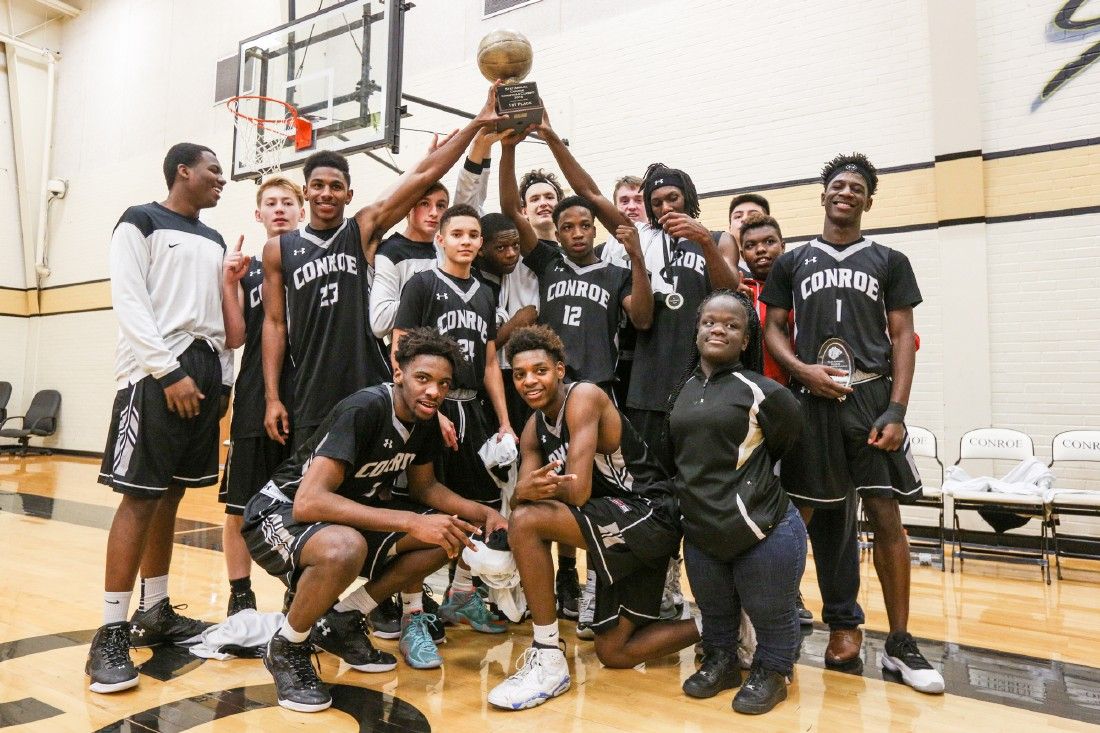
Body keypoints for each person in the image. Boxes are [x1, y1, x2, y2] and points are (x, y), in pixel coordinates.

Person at [242, 328, 508, 712]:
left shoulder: (427, 421)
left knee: (447, 533)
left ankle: (344, 618)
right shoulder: (365, 409)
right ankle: (286, 646)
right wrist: (409, 522)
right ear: (399, 373)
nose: (434, 391)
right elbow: (309, 502)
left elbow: (426, 488)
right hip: (278, 513)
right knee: (346, 547)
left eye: (443, 383)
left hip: (340, 521)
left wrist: (482, 513)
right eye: (423, 378)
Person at [760, 153, 944, 694]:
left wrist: (898, 409)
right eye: (836, 185)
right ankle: (840, 624)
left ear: (868, 200)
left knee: (886, 517)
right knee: (823, 522)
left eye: (856, 188)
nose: (845, 193)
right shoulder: (792, 262)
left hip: (870, 398)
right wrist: (800, 371)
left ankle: (902, 644)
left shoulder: (890, 259)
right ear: (822, 196)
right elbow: (771, 328)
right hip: (812, 400)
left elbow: (903, 337)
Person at [261, 85, 505, 451]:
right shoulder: (278, 249)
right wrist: (272, 397)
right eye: (318, 186)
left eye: (336, 186)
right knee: (312, 491)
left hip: (367, 377)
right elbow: (275, 324)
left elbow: (424, 178)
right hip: (310, 385)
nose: (327, 193)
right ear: (306, 192)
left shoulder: (361, 229)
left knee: (374, 480)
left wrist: (476, 124)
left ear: (349, 194)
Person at [487, 325, 697, 711]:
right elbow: (522, 497)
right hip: (615, 523)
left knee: (529, 522)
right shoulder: (534, 427)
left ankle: (548, 656)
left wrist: (525, 496)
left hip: (651, 513)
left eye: (540, 370)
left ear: (560, 370)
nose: (529, 381)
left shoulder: (583, 397)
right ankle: (724, 623)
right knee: (614, 652)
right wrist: (521, 493)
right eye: (519, 374)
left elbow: (577, 492)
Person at [86, 143, 233, 694]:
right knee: (141, 495)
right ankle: (110, 630)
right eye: (214, 170)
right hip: (155, 374)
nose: (223, 179)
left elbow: (221, 315)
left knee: (171, 494)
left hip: (205, 372)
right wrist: (167, 372)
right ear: (183, 172)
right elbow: (129, 301)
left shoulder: (216, 239)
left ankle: (156, 610)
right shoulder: (140, 220)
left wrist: (225, 379)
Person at [532, 112, 740, 474]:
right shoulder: (640, 235)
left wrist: (703, 239)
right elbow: (591, 194)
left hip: (699, 363)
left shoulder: (718, 238)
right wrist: (552, 138)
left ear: (687, 196)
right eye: (656, 202)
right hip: (650, 368)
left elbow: (730, 289)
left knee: (699, 469)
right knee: (652, 472)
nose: (665, 208)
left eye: (672, 199)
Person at [670, 290, 805, 715]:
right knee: (714, 610)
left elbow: (788, 446)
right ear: (697, 330)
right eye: (710, 321)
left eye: (732, 325)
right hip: (703, 529)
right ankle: (723, 663)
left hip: (762, 526)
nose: (719, 329)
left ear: (746, 341)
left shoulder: (764, 391)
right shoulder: (682, 391)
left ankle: (774, 670)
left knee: (770, 611)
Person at [393, 203, 515, 634]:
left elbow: (487, 362)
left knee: (481, 504)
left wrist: (503, 420)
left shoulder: (485, 291)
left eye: (473, 235)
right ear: (439, 239)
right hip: (428, 408)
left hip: (472, 409)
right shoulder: (422, 284)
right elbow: (400, 350)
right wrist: (430, 412)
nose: (466, 241)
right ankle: (411, 614)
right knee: (422, 503)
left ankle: (462, 594)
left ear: (480, 243)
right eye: (457, 233)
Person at [500, 133, 653, 395]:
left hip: (598, 386)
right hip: (552, 386)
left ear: (595, 231)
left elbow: (642, 319)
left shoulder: (617, 274)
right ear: (558, 236)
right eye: (568, 228)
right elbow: (511, 210)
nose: (578, 233)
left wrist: (637, 257)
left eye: (584, 226)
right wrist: (508, 148)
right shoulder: (548, 262)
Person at [218, 176, 305, 615]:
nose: (279, 209)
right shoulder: (247, 268)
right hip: (256, 393)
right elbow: (235, 337)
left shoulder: (314, 261)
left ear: (301, 211)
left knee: (304, 499)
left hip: (306, 392)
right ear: (258, 214)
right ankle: (240, 596)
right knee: (241, 503)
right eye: (270, 203)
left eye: (288, 202)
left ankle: (300, 592)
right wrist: (227, 283)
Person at [369, 180, 450, 342]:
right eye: (425, 203)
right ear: (408, 209)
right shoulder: (391, 251)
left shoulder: (445, 249)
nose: (434, 212)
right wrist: (429, 298)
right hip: (410, 355)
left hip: (446, 351)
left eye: (441, 206)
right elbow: (379, 321)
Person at [717, 193, 770, 278]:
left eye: (754, 215)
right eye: (738, 216)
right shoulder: (715, 267)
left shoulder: (784, 267)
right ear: (730, 228)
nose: (744, 219)